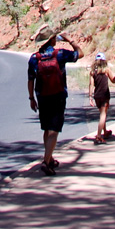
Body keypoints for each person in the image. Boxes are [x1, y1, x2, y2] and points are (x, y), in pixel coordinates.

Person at [27, 31, 80, 175]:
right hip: (58, 96)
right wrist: (70, 39)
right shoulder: (60, 54)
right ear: (51, 40)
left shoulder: (34, 59)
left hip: (42, 97)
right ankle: (46, 161)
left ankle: (49, 158)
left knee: (46, 128)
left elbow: (31, 79)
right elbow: (79, 54)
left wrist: (31, 98)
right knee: (54, 130)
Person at [89, 52, 115, 143]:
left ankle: (105, 131)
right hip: (105, 95)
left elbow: (91, 85)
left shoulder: (93, 72)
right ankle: (98, 135)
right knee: (103, 115)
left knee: (102, 114)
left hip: (97, 95)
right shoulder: (107, 70)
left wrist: (90, 97)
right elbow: (113, 80)